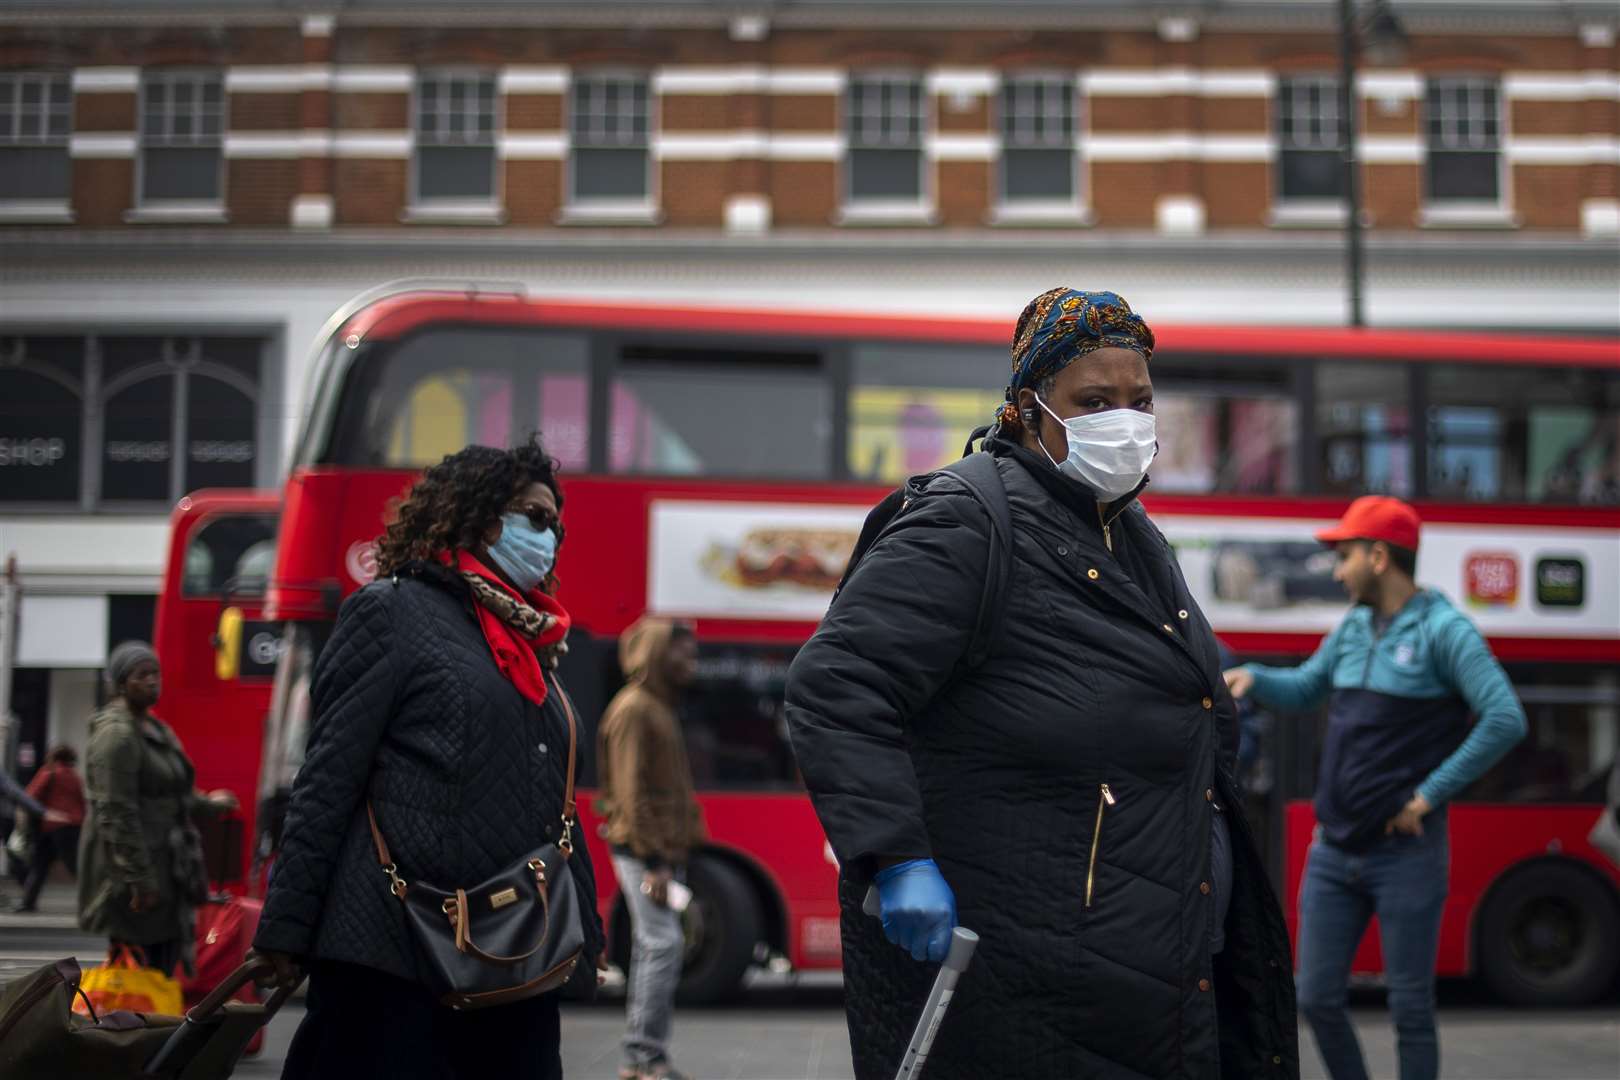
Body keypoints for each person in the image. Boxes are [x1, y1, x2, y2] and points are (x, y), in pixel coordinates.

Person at [786, 287, 1299, 1080]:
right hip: (1036, 993)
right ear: (1028, 408)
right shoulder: (966, 522)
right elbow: (837, 683)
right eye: (1093, 401)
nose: (1124, 423)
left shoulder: (1132, 535)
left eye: (1140, 401)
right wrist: (896, 855)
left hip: (1149, 984)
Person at [250, 438, 606, 1080]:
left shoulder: (532, 641)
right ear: (475, 514)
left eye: (554, 522)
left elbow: (557, 802)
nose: (547, 534)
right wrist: (286, 927)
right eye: (532, 514)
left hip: (511, 954)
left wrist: (587, 932)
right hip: (394, 953)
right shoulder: (389, 612)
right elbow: (327, 780)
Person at [1223, 495, 1528, 1080]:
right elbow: (1307, 689)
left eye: (1345, 555)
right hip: (1335, 851)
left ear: (1380, 557)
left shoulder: (1446, 631)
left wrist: (1427, 796)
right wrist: (1255, 679)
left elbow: (1505, 718)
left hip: (1405, 853)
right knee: (1314, 998)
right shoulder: (1354, 629)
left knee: (1411, 1008)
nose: (1337, 571)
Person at [78, 641, 237, 976]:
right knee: (139, 970)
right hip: (137, 874)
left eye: (156, 674)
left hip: (167, 866)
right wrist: (141, 881)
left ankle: (156, 1026)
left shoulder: (153, 727)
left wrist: (209, 804)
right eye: (142, 675)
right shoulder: (117, 736)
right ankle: (138, 1028)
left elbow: (175, 792)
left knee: (162, 964)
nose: (153, 681)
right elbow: (116, 814)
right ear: (121, 683)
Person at [596, 618, 706, 1080]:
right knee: (663, 944)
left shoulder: (657, 707)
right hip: (645, 854)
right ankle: (643, 1056)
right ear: (660, 653)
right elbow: (630, 794)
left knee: (654, 946)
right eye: (684, 652)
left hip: (658, 852)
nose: (693, 663)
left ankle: (642, 1058)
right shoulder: (636, 710)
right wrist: (655, 861)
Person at [13, 745, 86, 912]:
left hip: (50, 826)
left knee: (39, 866)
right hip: (73, 826)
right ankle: (89, 901)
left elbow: (30, 796)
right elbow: (82, 804)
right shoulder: (75, 777)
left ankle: (28, 902)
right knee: (76, 866)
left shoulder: (49, 772)